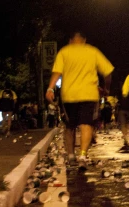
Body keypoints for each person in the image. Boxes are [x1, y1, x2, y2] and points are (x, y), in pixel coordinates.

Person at [46, 32, 114, 167]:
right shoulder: (92, 51)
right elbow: (108, 72)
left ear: (71, 40)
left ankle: (71, 156)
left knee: (69, 126)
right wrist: (106, 88)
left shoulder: (64, 51)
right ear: (84, 40)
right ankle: (82, 155)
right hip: (89, 94)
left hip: (68, 95)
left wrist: (50, 89)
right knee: (86, 124)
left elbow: (57, 72)